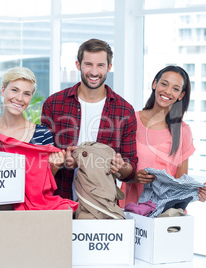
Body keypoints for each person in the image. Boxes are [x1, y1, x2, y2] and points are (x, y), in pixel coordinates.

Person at [41, 38, 138, 200]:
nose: (94, 72)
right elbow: (42, 158)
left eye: (100, 65)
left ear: (109, 67)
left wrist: (120, 167)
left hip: (101, 204)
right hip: (59, 201)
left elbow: (130, 169)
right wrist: (63, 160)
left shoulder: (124, 111)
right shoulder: (54, 104)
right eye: (88, 64)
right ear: (78, 65)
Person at [120, 65, 206, 208]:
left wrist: (197, 191)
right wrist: (135, 177)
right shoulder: (131, 120)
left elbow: (180, 182)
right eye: (164, 84)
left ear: (181, 95)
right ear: (155, 84)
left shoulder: (183, 130)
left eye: (175, 89)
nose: (168, 91)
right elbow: (115, 170)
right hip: (130, 209)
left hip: (164, 214)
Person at [0, 66, 65, 172]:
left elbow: (46, 181)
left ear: (31, 97)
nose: (19, 98)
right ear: (3, 90)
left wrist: (55, 166)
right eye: (14, 90)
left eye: (26, 94)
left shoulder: (42, 134)